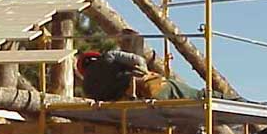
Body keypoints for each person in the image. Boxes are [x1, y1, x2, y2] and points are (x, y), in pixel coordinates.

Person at [77, 50, 219, 101]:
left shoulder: (88, 88)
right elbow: (138, 60)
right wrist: (144, 73)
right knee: (193, 94)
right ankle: (226, 98)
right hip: (147, 87)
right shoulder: (110, 56)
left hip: (126, 104)